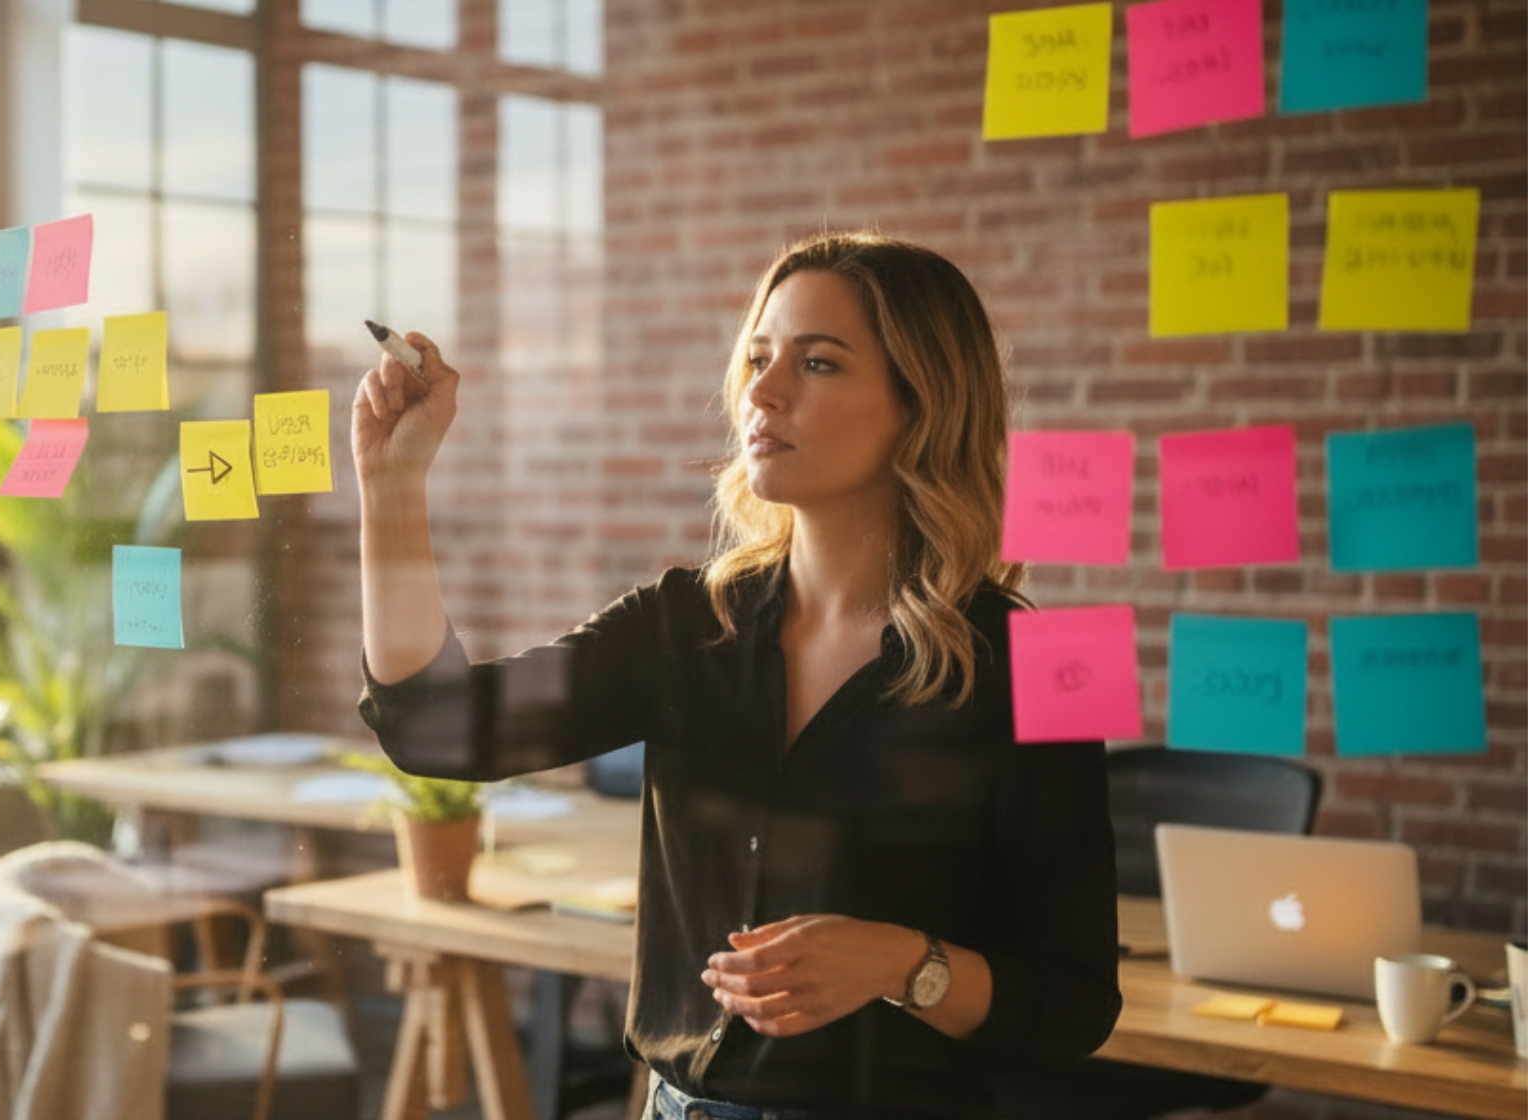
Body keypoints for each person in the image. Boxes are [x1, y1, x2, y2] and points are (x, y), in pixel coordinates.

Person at [353, 232, 1121, 1119]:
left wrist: (901, 963)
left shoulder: (1030, 666)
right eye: (758, 358)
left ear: (922, 404)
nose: (762, 391)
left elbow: (1073, 1005)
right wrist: (392, 482)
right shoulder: (686, 625)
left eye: (818, 363)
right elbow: (438, 728)